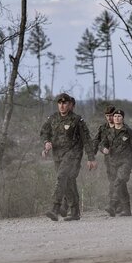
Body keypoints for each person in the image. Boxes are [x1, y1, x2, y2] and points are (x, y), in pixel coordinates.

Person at [40, 93, 96, 221]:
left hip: (73, 154)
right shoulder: (52, 118)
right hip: (58, 155)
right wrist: (46, 143)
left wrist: (91, 158)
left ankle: (55, 207)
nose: (62, 106)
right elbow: (44, 132)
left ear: (70, 105)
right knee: (68, 181)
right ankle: (75, 211)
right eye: (60, 103)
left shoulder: (77, 120)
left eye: (65, 103)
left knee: (61, 177)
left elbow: (86, 139)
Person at [101, 109, 132, 216]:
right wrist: (104, 149)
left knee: (119, 180)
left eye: (119, 116)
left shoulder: (127, 131)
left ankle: (112, 204)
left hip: (126, 161)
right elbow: (103, 144)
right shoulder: (108, 131)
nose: (116, 118)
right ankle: (127, 209)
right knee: (121, 185)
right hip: (113, 162)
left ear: (123, 118)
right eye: (115, 117)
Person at [92, 105, 117, 213]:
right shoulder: (103, 128)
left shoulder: (120, 127)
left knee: (118, 181)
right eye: (107, 116)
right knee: (113, 180)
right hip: (109, 159)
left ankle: (113, 203)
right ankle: (120, 204)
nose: (109, 118)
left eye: (111, 115)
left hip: (121, 159)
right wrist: (92, 156)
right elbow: (96, 141)